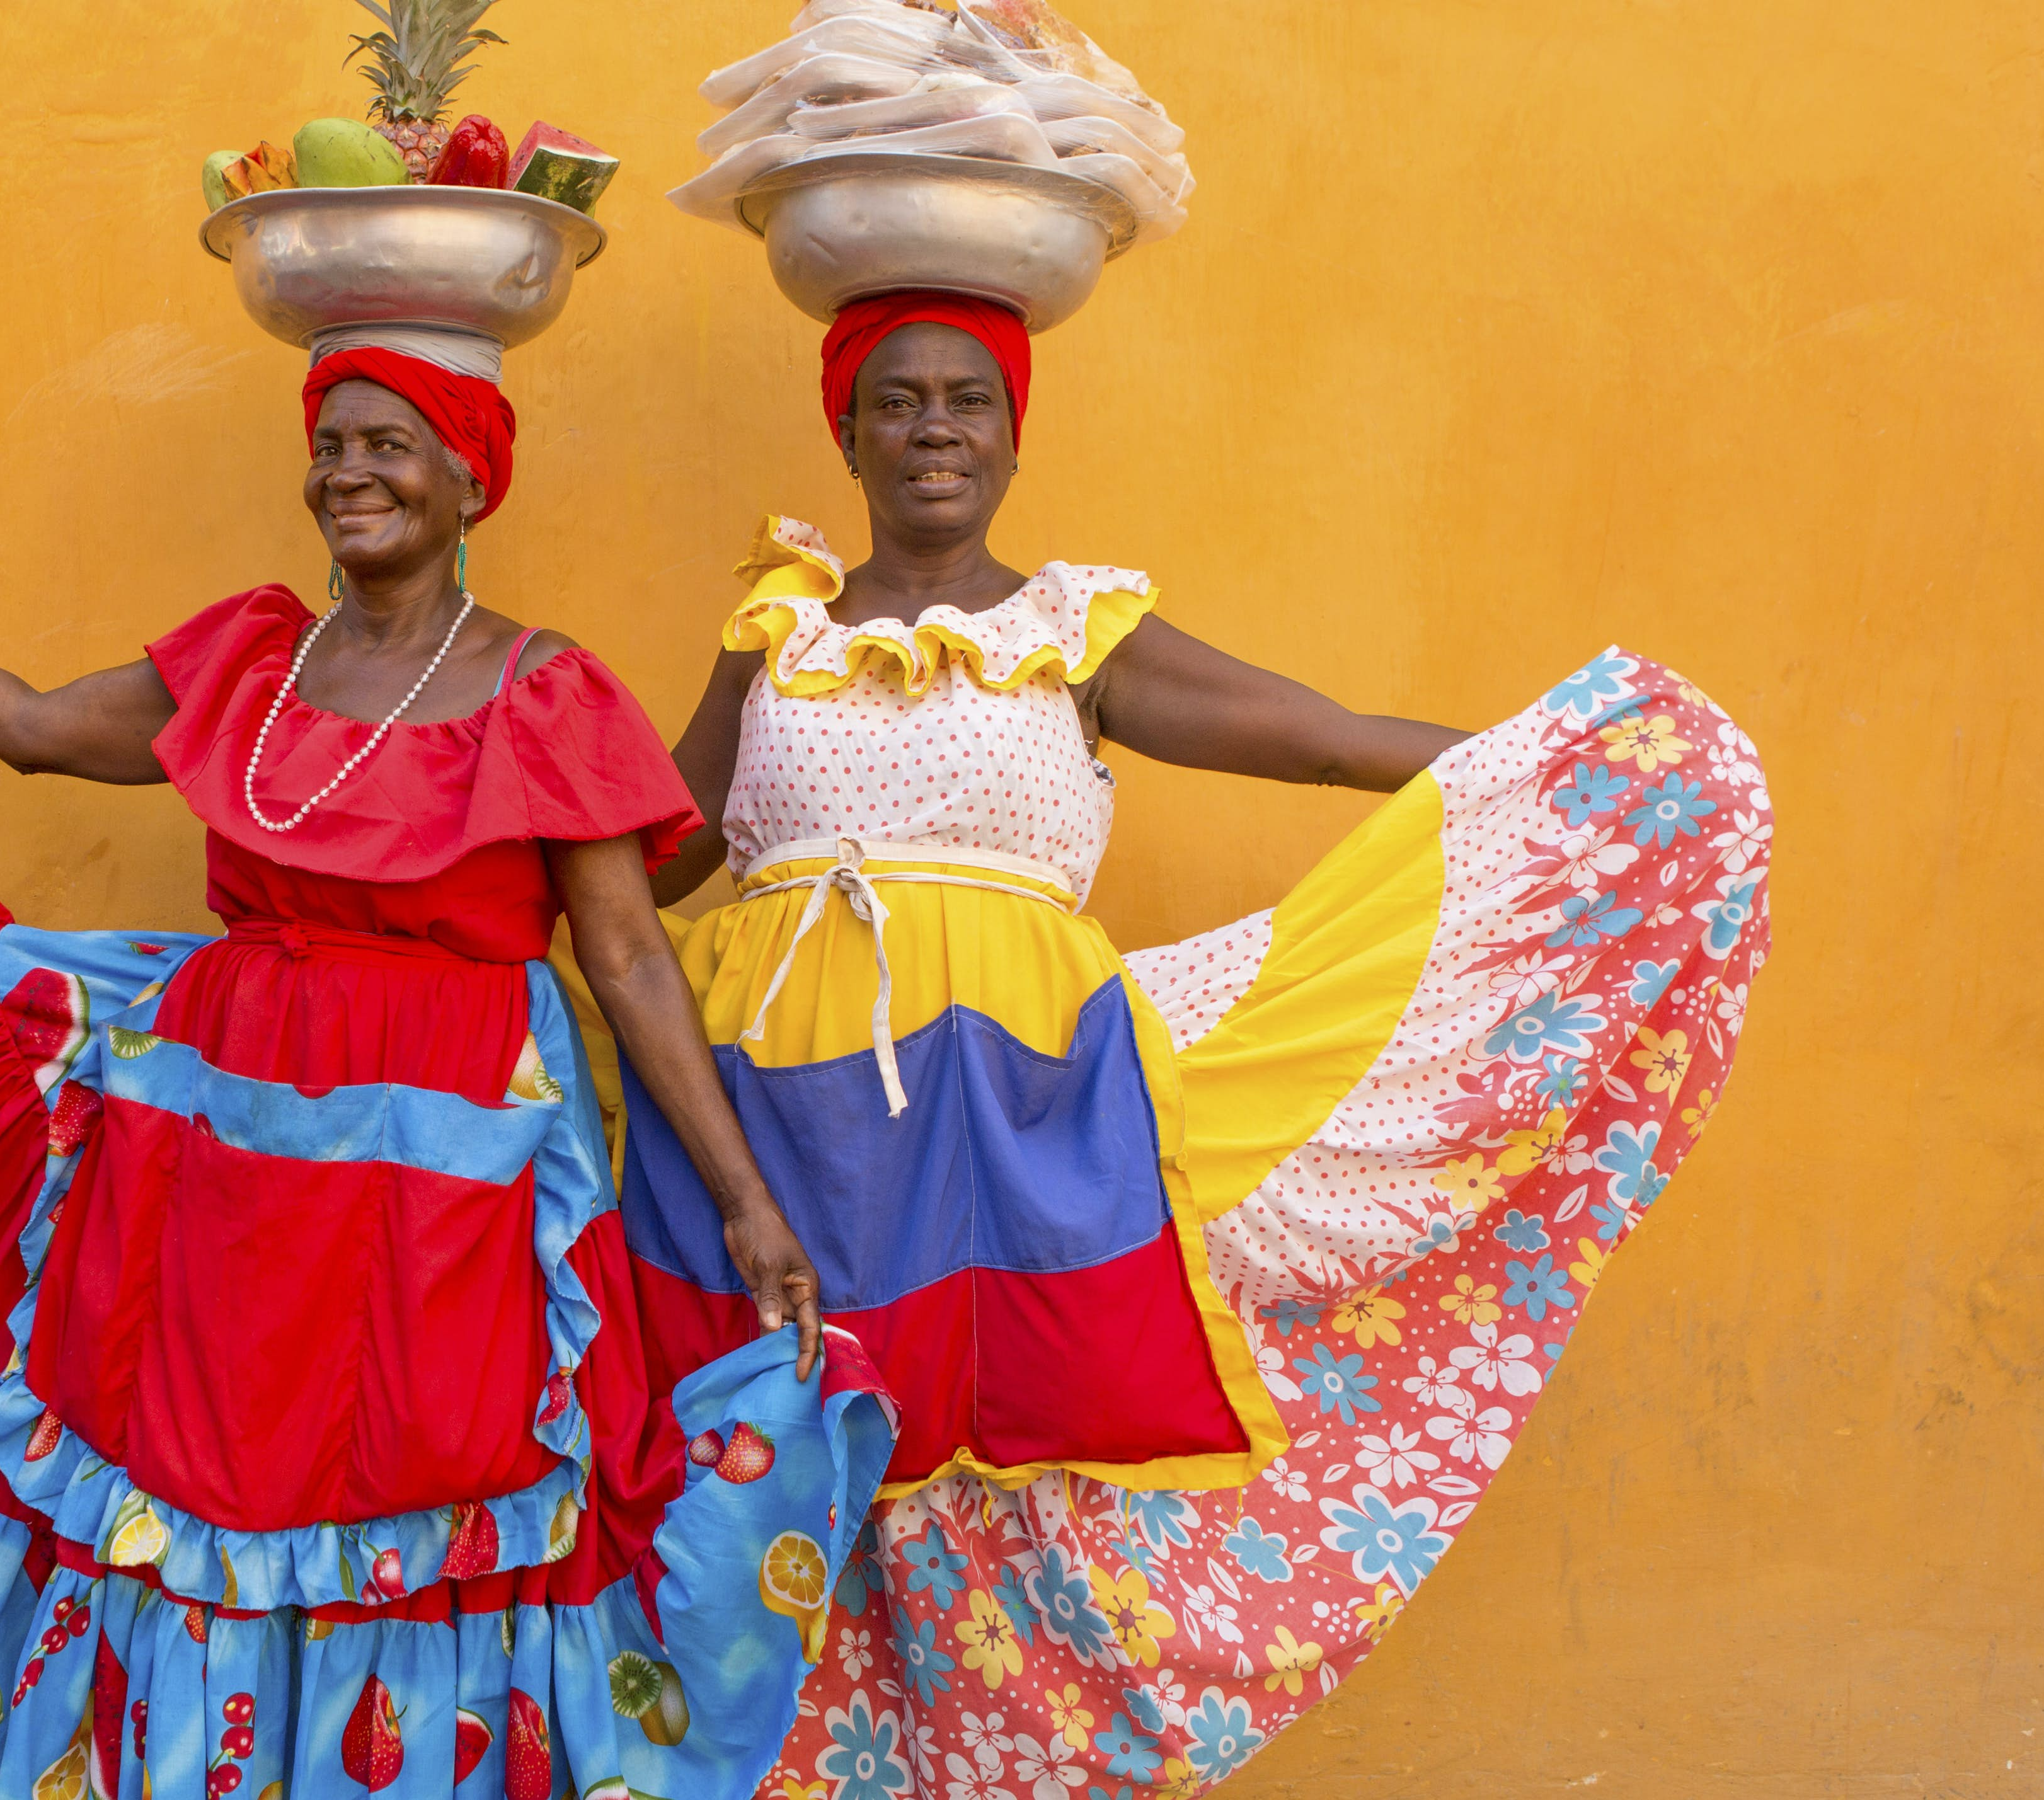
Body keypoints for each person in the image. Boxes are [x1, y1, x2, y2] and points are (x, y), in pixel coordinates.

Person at [0, 330, 892, 1800]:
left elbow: (629, 957)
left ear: (470, 474)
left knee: (420, 1484)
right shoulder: (248, 657)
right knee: (207, 1482)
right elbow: (28, 726)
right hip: (210, 1156)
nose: (349, 474)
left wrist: (741, 1200)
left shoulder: (546, 689)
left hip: (447, 1171)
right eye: (331, 446)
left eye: (390, 444)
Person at [596, 292, 1775, 1796]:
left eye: (969, 399)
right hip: (775, 1121)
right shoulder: (773, 635)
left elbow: (1322, 737)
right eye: (896, 401)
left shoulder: (1072, 633)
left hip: (1009, 1118)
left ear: (1016, 436)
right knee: (779, 1464)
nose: (934, 427)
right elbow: (640, 859)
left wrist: (1546, 777)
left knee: (983, 1476)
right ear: (845, 431)